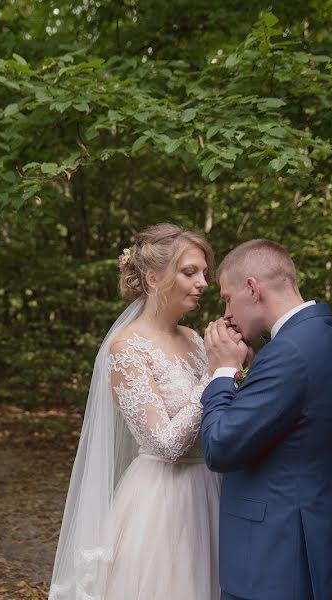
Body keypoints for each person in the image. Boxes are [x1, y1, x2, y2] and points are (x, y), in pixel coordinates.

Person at [49, 223, 222, 600]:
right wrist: (214, 375)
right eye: (190, 271)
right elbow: (165, 445)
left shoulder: (195, 340)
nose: (204, 282)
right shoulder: (127, 349)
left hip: (211, 491)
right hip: (163, 503)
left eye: (204, 273)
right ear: (153, 277)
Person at [199, 239, 332, 600]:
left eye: (227, 297)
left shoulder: (287, 352)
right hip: (308, 541)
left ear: (253, 288)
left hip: (271, 557)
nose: (225, 313)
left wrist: (222, 371)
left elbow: (221, 446)